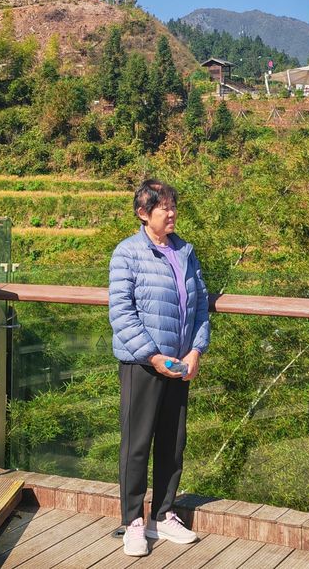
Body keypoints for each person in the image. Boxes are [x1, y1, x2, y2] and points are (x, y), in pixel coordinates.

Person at [109, 179, 210, 557]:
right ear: (143, 213)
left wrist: (196, 351)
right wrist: (152, 357)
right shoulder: (128, 253)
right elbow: (122, 313)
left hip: (179, 363)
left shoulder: (185, 251)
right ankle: (133, 522)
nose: (171, 213)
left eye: (173, 206)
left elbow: (200, 306)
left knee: (172, 443)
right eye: (163, 207)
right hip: (143, 364)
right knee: (136, 445)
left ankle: (163, 515)